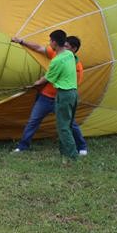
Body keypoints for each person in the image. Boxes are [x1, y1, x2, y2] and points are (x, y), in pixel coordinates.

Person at [11, 35, 88, 155]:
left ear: (73, 49)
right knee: (33, 121)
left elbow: (51, 79)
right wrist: (21, 41)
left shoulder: (75, 66)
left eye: (66, 46)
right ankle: (22, 146)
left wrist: (35, 84)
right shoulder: (59, 53)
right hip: (45, 97)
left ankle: (81, 147)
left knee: (70, 124)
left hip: (62, 99)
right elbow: (39, 48)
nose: (63, 47)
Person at [23, 30, 79, 162]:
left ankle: (72, 156)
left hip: (64, 94)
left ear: (54, 42)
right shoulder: (70, 54)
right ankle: (66, 152)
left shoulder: (57, 61)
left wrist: (33, 85)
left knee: (63, 127)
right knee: (68, 124)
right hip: (74, 93)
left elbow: (47, 79)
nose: (49, 43)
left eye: (50, 41)